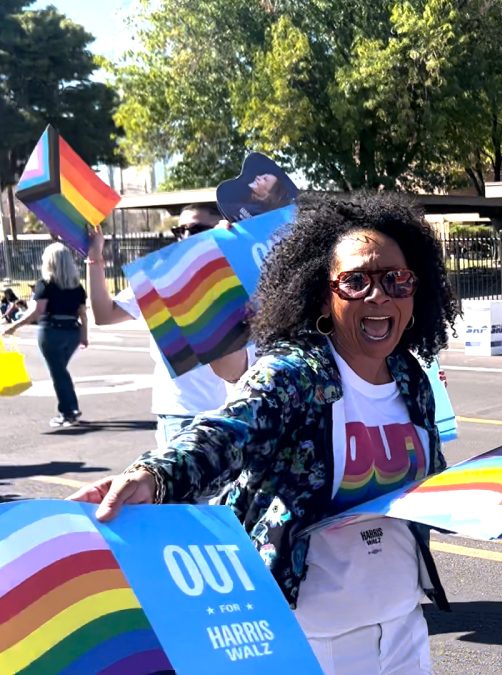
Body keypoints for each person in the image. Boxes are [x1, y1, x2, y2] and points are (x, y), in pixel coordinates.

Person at [69, 191, 459, 674]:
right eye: (355, 281)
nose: (378, 295)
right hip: (313, 636)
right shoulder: (294, 373)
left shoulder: (409, 376)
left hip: (404, 625)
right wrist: (153, 476)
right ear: (323, 293)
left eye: (396, 280)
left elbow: (426, 482)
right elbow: (229, 430)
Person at [86, 203, 250, 448]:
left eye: (194, 229)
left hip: (231, 414)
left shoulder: (243, 272)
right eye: (179, 230)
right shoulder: (162, 275)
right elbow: (104, 314)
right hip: (179, 414)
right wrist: (94, 257)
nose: (184, 237)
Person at [3, 243, 88, 426]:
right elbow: (83, 314)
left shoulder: (45, 285)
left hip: (51, 331)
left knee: (58, 372)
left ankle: (69, 411)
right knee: (60, 371)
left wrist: (13, 326)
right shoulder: (77, 287)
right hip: (72, 331)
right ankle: (69, 409)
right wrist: (84, 335)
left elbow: (37, 312)